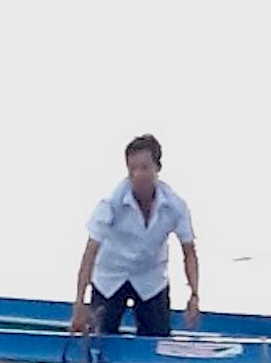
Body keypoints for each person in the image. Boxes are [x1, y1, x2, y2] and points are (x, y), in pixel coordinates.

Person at [69, 133, 200, 337]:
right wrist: (79, 303)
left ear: (157, 168)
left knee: (156, 342)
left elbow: (189, 251)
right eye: (132, 169)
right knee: (100, 343)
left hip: (151, 278)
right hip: (110, 277)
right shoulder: (111, 203)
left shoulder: (175, 206)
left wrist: (194, 295)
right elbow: (90, 253)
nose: (138, 175)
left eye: (144, 168)